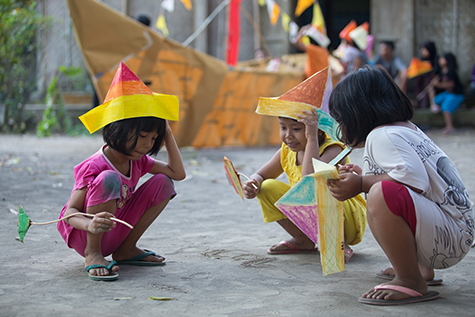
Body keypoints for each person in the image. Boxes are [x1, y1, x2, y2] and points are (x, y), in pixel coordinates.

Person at [327, 66, 474, 305]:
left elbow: (412, 182)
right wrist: (362, 177)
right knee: (383, 190)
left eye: (341, 120)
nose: (341, 128)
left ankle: (410, 280)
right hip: (455, 232)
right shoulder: (404, 129)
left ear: (359, 114)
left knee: (381, 193)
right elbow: (415, 180)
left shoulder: (381, 135)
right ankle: (419, 269)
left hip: (448, 238)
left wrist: (363, 183)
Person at [57, 63, 186, 281]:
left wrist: (167, 133)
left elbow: (177, 173)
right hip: (86, 234)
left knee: (163, 182)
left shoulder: (138, 160)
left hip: (115, 231)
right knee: (109, 178)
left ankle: (126, 249)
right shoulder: (95, 165)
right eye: (143, 136)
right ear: (118, 129)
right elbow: (70, 212)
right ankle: (93, 254)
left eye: (154, 139)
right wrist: (90, 224)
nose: (147, 144)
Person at [243, 69, 367, 263]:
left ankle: (339, 242)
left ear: (317, 131)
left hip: (346, 220)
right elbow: (262, 175)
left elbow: (310, 184)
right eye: (283, 127)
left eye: (297, 129)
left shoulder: (333, 149)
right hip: (310, 213)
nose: (288, 135)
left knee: (323, 184)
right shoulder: (287, 150)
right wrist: (253, 183)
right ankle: (303, 240)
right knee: (267, 187)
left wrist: (311, 140)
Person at [429, 53, 465, 135]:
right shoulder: (443, 71)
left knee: (446, 107)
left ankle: (450, 127)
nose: (440, 61)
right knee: (436, 99)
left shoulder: (451, 71)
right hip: (448, 93)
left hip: (456, 94)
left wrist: (439, 85)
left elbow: (451, 84)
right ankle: (435, 107)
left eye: (442, 59)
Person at [412, 41, 439, 108]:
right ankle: (419, 100)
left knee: (428, 80)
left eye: (425, 49)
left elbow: (436, 72)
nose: (423, 51)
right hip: (422, 82)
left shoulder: (436, 59)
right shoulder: (422, 60)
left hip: (433, 83)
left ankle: (426, 103)